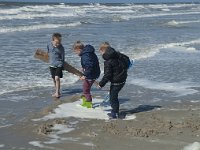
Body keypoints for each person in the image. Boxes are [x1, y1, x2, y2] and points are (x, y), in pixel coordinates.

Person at [98, 42, 129, 119]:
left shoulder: (108, 62)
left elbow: (107, 75)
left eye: (100, 52)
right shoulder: (119, 56)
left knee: (113, 97)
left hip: (116, 82)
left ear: (103, 51)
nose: (101, 55)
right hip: (123, 79)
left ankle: (115, 112)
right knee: (113, 94)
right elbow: (127, 61)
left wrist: (101, 84)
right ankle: (115, 111)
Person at [73, 41, 100, 108]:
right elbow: (91, 63)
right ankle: (86, 101)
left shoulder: (85, 55)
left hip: (91, 74)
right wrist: (83, 68)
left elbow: (89, 66)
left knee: (86, 89)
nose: (76, 53)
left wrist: (84, 75)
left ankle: (88, 104)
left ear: (78, 49)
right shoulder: (89, 53)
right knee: (86, 87)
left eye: (76, 52)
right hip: (95, 72)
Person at [47, 33, 65, 98]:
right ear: (52, 40)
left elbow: (63, 57)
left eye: (59, 42)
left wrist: (62, 65)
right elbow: (48, 52)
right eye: (56, 43)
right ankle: (57, 91)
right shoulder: (49, 45)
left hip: (59, 64)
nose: (58, 44)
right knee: (53, 78)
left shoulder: (61, 48)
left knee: (57, 78)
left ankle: (57, 93)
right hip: (51, 64)